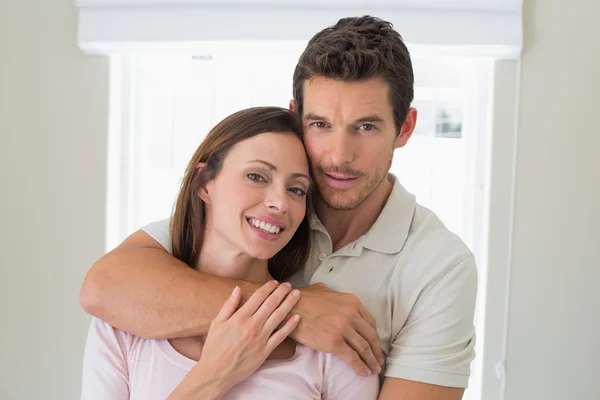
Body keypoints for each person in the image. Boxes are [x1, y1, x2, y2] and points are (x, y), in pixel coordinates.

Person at [80, 16, 477, 399]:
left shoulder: (440, 267)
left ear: (404, 128)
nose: (339, 156)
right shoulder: (254, 218)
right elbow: (104, 287)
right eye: (320, 124)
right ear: (296, 116)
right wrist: (298, 311)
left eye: (366, 127)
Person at [81, 107, 379, 399]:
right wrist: (213, 376)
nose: (280, 203)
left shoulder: (332, 343)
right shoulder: (122, 325)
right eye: (257, 176)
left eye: (297, 190)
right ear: (204, 184)